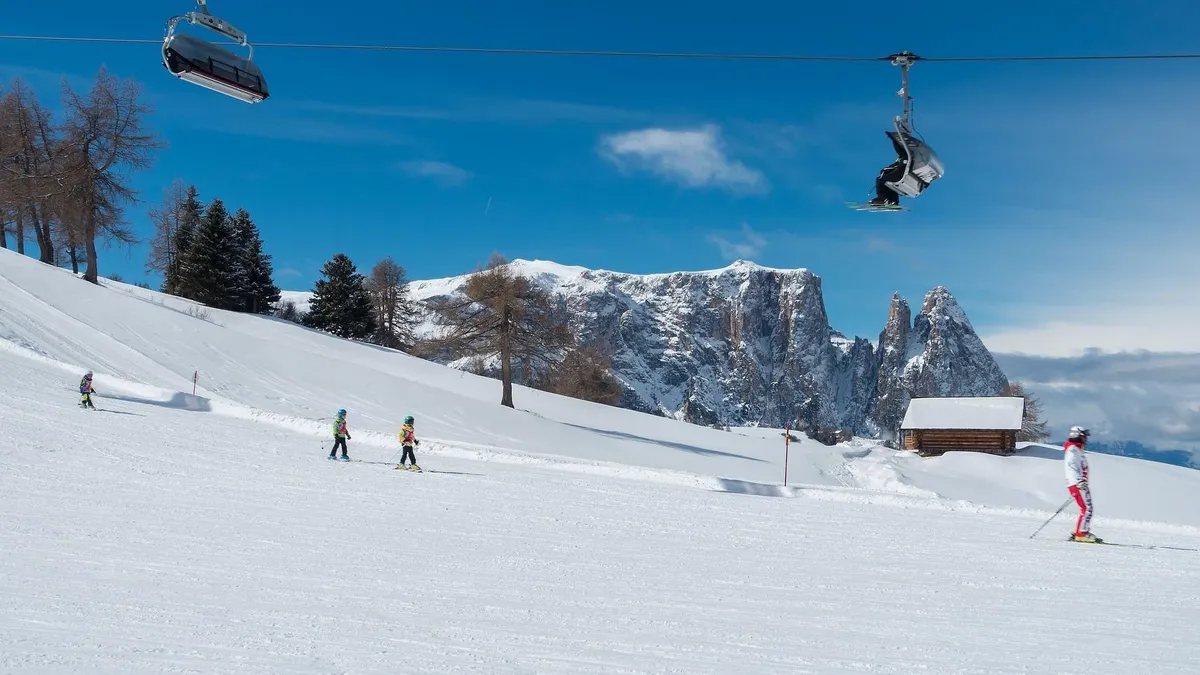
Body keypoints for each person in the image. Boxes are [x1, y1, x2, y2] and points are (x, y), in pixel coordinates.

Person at [1064, 426, 1100, 543]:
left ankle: (1080, 530)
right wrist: (1079, 481)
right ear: (1078, 435)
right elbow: (1071, 466)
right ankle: (1081, 533)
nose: (1086, 438)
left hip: (1079, 483)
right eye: (1084, 435)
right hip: (1078, 484)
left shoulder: (1077, 449)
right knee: (1087, 508)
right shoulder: (1073, 450)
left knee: (1085, 508)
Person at [869, 133, 908, 206]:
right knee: (886, 182)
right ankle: (892, 200)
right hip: (902, 174)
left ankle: (883, 198)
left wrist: (893, 139)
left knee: (881, 180)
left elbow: (899, 149)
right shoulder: (905, 157)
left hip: (902, 173)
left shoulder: (905, 156)